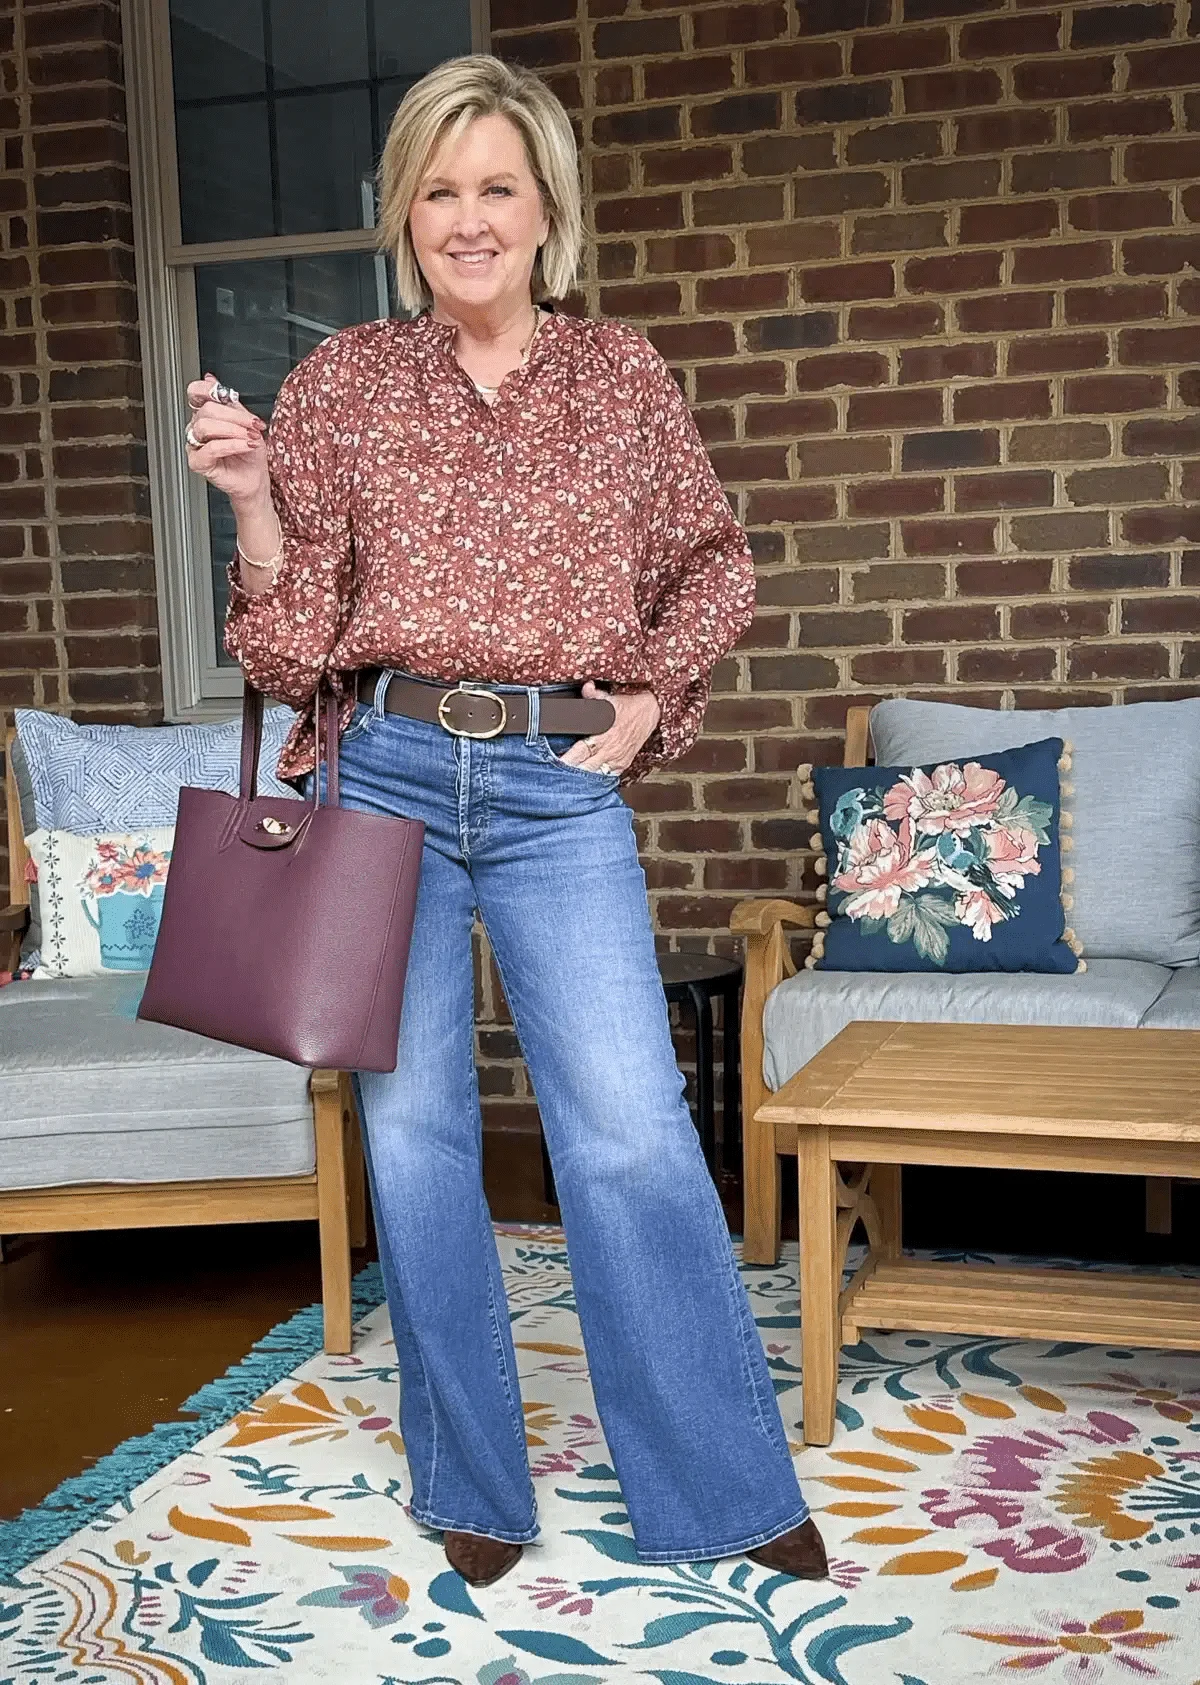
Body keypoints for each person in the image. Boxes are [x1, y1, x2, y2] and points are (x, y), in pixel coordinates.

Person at [182, 52, 827, 1590]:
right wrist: (256, 498)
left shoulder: (623, 377)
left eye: (497, 189)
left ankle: (721, 1491)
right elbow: (288, 647)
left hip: (554, 784)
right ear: (404, 211)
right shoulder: (340, 381)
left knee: (627, 1133)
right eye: (438, 190)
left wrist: (655, 702)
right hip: (383, 773)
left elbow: (714, 566)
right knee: (413, 1135)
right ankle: (474, 1479)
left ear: (547, 211)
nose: (467, 219)